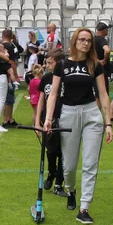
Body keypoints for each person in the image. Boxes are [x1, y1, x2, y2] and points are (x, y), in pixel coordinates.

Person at [43, 27, 113, 224]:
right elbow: (54, 93)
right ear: (74, 41)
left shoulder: (95, 65)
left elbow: (103, 94)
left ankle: (84, 208)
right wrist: (48, 118)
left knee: (90, 163)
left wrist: (108, 122)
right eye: (82, 39)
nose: (86, 43)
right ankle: (71, 189)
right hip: (68, 113)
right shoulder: (62, 65)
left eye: (89, 40)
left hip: (91, 112)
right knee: (69, 166)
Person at [34, 49, 66, 197]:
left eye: (50, 63)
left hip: (64, 119)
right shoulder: (46, 78)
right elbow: (41, 100)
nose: (47, 65)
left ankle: (59, 184)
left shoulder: (66, 78)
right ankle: (51, 172)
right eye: (46, 62)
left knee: (64, 154)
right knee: (51, 151)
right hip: (49, 120)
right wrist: (37, 122)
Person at [0, 29, 22, 127]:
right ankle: (6, 120)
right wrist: (16, 75)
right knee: (8, 98)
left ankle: (9, 119)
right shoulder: (10, 46)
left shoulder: (0, 46)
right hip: (8, 74)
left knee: (10, 98)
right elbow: (12, 62)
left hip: (1, 73)